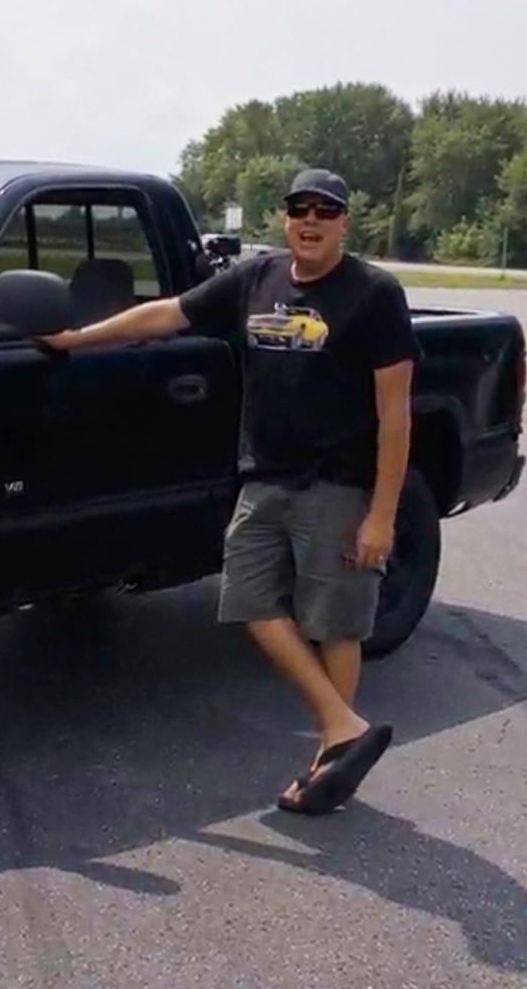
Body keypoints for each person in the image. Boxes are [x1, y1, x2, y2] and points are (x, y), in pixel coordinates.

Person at [42, 168, 421, 815]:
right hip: (263, 476)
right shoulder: (257, 277)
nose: (310, 219)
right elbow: (171, 312)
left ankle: (329, 765)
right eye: (300, 208)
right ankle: (343, 727)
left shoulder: (374, 294)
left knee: (334, 623)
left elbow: (396, 414)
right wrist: (82, 338)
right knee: (245, 599)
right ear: (285, 218)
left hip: (335, 483)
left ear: (344, 223)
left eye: (325, 210)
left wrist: (381, 515)